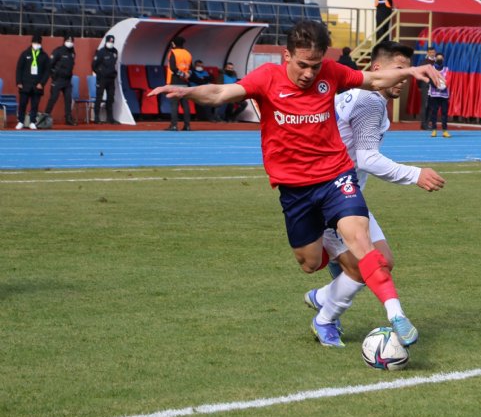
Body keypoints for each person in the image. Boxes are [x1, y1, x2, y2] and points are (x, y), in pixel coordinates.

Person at [148, 20, 444, 348]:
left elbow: (374, 78)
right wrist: (188, 91)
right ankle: (327, 292)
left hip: (336, 176)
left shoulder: (331, 73)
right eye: (302, 65)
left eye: (315, 65)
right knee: (310, 263)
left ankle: (395, 315)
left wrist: (410, 71)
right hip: (295, 189)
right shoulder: (266, 79)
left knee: (364, 245)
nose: (309, 73)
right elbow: (220, 92)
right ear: (286, 55)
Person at [304, 41, 446, 337]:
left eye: (407, 71)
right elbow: (368, 158)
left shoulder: (360, 96)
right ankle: (325, 318)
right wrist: (415, 174)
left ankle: (322, 297)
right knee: (361, 268)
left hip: (346, 194)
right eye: (399, 69)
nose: (404, 77)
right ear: (377, 69)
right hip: (329, 195)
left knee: (384, 262)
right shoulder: (369, 100)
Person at [15, 34, 50, 130]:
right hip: (25, 84)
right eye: (35, 42)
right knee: (22, 104)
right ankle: (21, 121)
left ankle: (32, 121)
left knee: (35, 105)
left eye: (38, 43)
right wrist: (19, 82)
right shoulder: (25, 54)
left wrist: (42, 83)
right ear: (31, 43)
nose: (36, 44)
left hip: (37, 85)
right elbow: (19, 68)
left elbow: (47, 71)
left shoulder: (44, 56)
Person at [43, 35, 78, 127]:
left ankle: (68, 117)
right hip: (58, 79)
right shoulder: (58, 51)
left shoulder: (72, 52)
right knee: (53, 98)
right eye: (68, 40)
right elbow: (50, 65)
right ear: (64, 41)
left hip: (67, 80)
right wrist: (54, 75)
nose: (70, 43)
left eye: (71, 41)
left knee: (68, 99)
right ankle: (45, 116)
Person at [164, 36, 192, 131]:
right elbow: (191, 69)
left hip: (175, 81)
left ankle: (174, 125)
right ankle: (187, 125)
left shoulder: (173, 53)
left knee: (174, 104)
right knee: (185, 105)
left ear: (174, 43)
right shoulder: (188, 53)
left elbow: (173, 68)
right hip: (185, 82)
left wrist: (182, 75)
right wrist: (187, 75)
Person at [92, 34, 119, 124]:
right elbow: (94, 66)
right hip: (102, 79)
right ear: (106, 42)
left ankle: (110, 118)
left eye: (112, 42)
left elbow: (114, 63)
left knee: (110, 98)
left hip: (111, 79)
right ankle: (96, 117)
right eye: (109, 41)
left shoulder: (115, 51)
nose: (110, 43)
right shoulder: (100, 52)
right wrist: (100, 73)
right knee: (99, 97)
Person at [428, 52, 450, 138]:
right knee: (434, 112)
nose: (439, 60)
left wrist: (444, 86)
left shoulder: (447, 69)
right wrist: (436, 86)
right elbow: (430, 80)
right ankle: (434, 130)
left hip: (444, 95)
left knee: (444, 113)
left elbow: (449, 80)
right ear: (435, 59)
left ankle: (444, 130)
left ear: (443, 59)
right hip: (434, 94)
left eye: (441, 58)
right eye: (438, 58)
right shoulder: (432, 69)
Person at [417, 45, 436, 130]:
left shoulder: (437, 62)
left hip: (434, 86)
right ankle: (423, 124)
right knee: (425, 104)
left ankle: (427, 123)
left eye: (433, 52)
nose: (432, 53)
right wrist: (419, 85)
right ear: (427, 53)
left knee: (431, 105)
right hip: (425, 86)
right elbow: (419, 74)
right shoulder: (423, 62)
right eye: (430, 52)